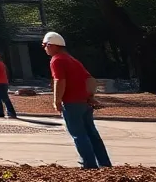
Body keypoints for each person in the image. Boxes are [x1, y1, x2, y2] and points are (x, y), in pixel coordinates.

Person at [43, 31, 111, 169]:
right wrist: (90, 96)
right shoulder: (72, 59)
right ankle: (104, 164)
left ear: (52, 46)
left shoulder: (57, 60)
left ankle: (89, 165)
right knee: (92, 133)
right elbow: (90, 79)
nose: (44, 48)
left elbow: (59, 81)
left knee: (79, 135)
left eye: (45, 45)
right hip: (84, 102)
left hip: (71, 103)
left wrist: (57, 100)